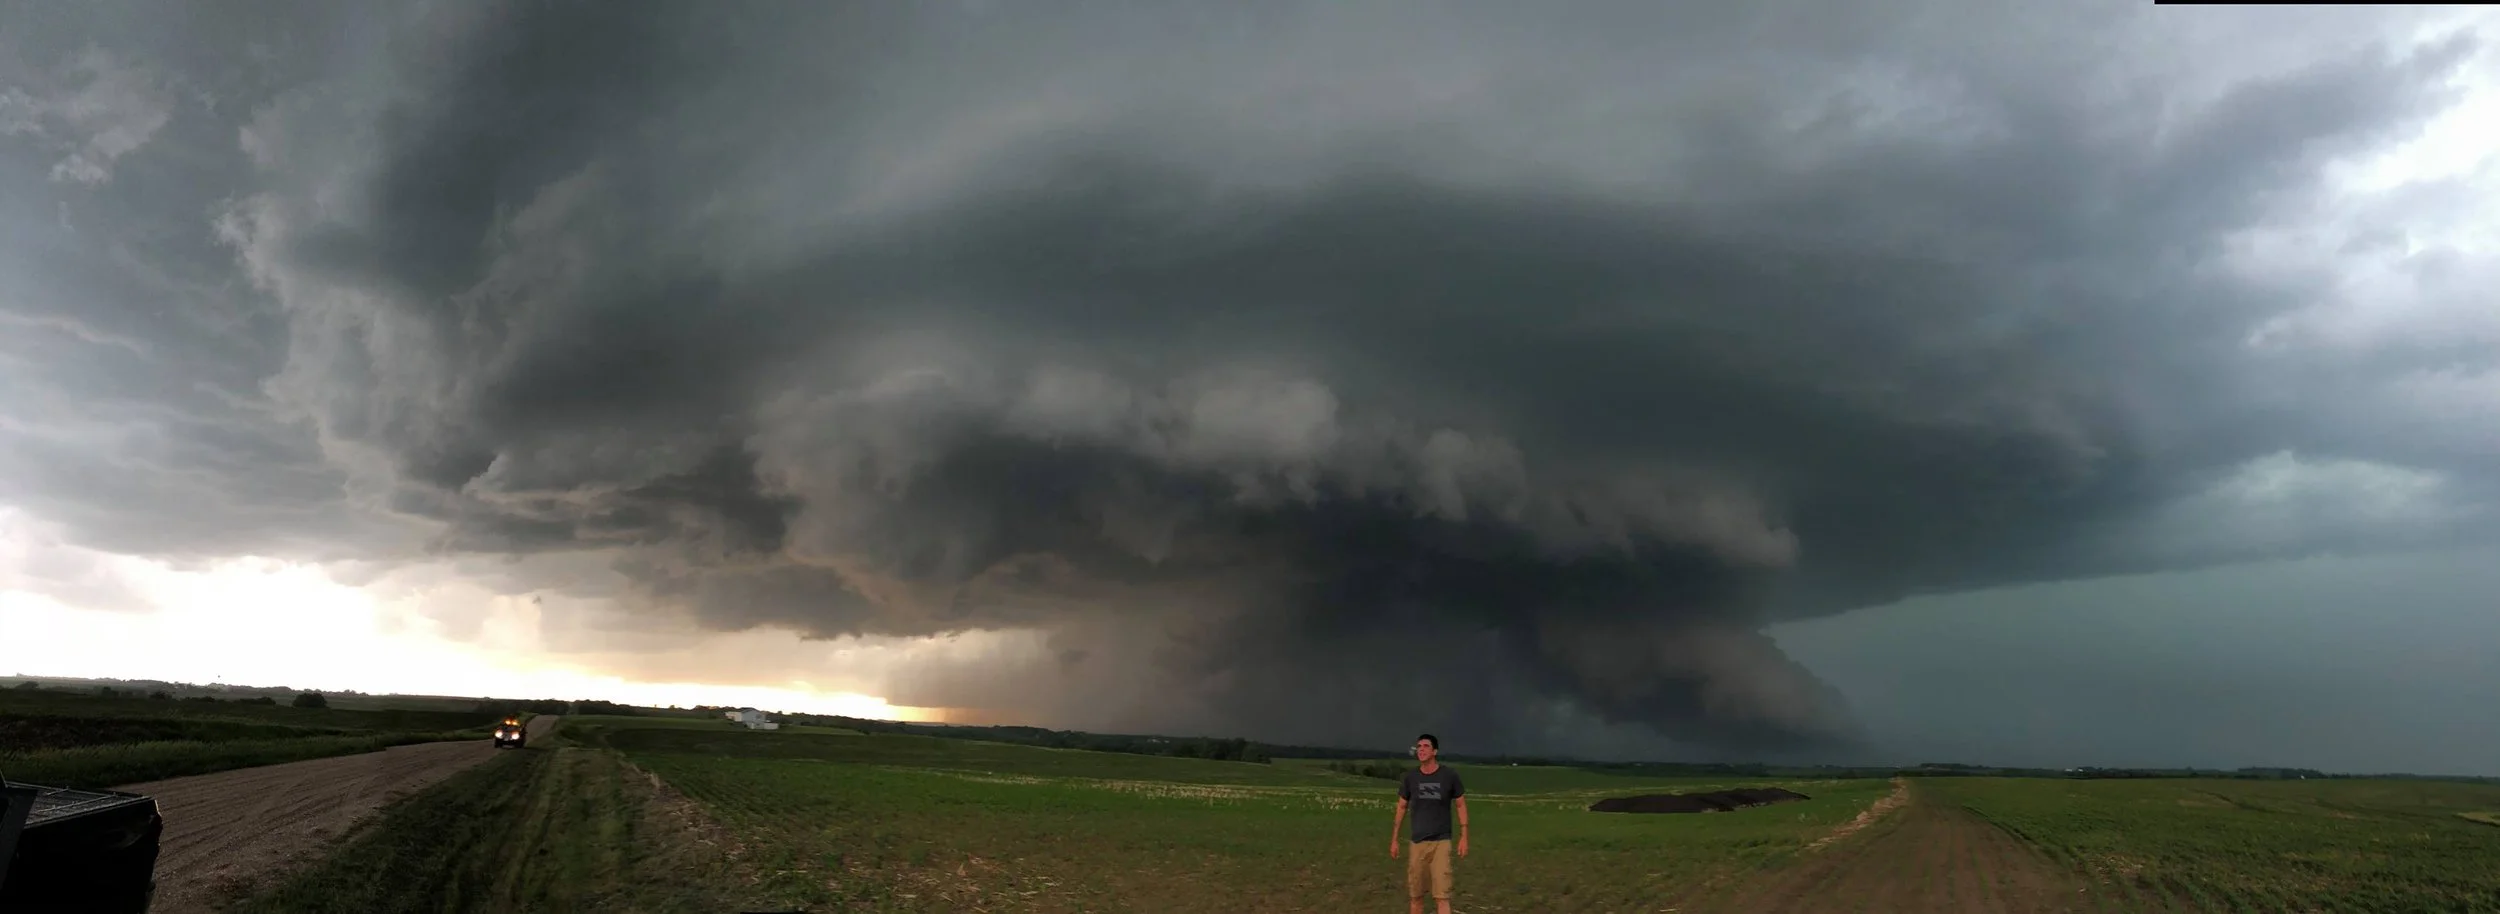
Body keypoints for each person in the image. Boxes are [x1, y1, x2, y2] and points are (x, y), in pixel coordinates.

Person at [1389, 733, 1467, 914]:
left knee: (1442, 896)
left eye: (1425, 746)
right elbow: (1401, 807)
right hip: (1417, 843)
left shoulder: (1449, 776)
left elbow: (1461, 804)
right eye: (1419, 746)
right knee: (1416, 897)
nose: (1421, 749)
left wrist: (1464, 836)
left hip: (1441, 842)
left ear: (1435, 751)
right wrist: (1394, 839)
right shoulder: (1411, 778)